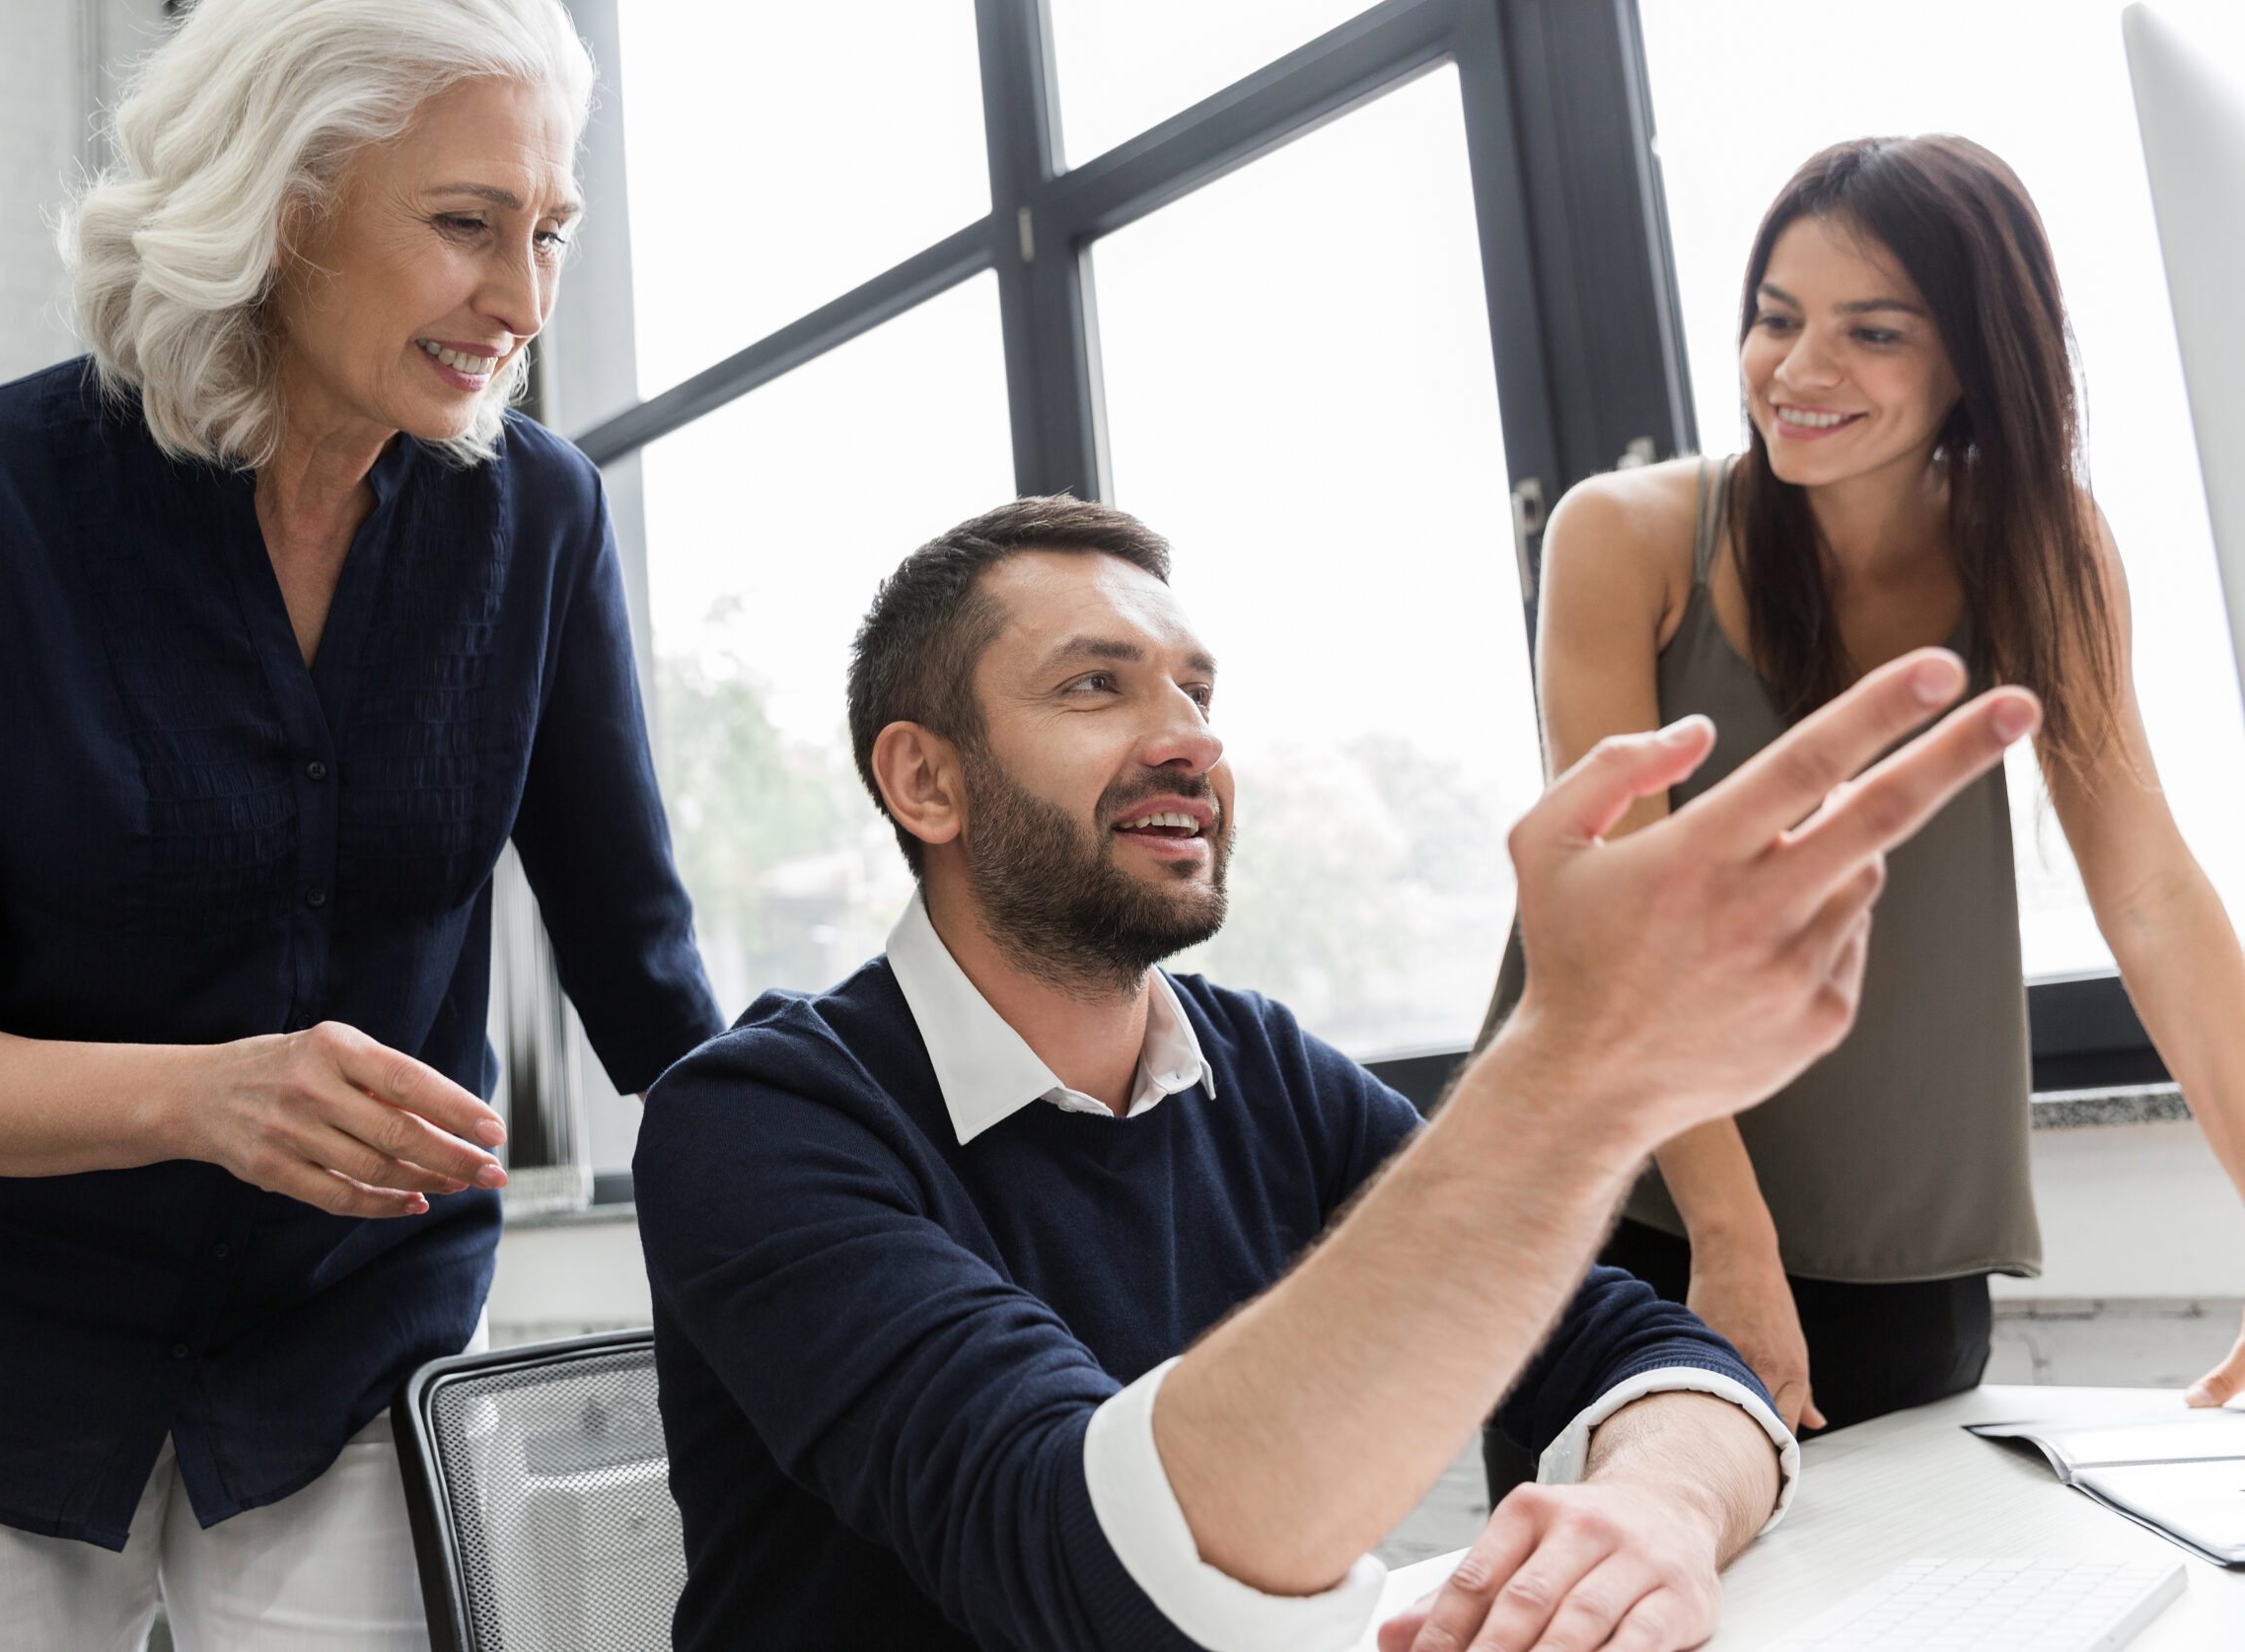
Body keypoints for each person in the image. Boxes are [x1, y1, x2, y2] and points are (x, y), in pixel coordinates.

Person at [0, 0, 718, 1645]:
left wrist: (854, 1198)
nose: (524, 299)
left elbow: (639, 965)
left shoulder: (538, 518)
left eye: (549, 232)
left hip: (343, 1345)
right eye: (469, 224)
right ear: (283, 202)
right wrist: (206, 1098)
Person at [632, 497, 2036, 1652]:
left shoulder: (1262, 1069)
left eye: (1196, 688)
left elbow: (1648, 1350)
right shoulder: (756, 1122)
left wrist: (1660, 1509)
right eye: (1095, 685)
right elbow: (1087, 1569)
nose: (1190, 736)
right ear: (926, 784)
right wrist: (1579, 1068)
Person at [1487, 133, 2245, 1467]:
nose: (1800, 370)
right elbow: (1625, 929)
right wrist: (1730, 1241)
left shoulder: (2042, 547)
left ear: (1975, 358)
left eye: (1872, 332)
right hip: (1626, 1219)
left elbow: (2149, 890)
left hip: (1901, 1236)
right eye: (1776, 319)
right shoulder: (1626, 534)